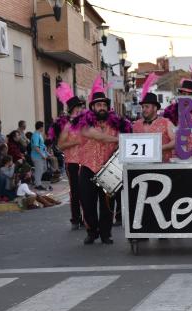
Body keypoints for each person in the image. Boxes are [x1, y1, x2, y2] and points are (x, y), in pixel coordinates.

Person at [76, 77, 125, 245]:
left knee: (107, 205)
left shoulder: (117, 124)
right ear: (92, 107)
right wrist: (117, 139)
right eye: (98, 105)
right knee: (87, 203)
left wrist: (123, 140)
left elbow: (125, 140)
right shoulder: (83, 123)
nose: (102, 107)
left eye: (104, 105)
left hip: (108, 169)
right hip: (88, 167)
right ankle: (92, 231)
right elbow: (95, 136)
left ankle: (106, 233)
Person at [55, 81, 86, 230]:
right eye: (79, 107)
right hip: (72, 161)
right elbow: (60, 145)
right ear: (74, 108)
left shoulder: (85, 123)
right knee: (75, 191)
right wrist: (75, 142)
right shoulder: (65, 125)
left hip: (86, 160)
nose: (82, 109)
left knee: (87, 191)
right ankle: (75, 218)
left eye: (82, 107)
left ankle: (88, 218)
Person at [133, 74, 176, 162]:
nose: (144, 109)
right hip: (141, 167)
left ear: (155, 108)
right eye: (143, 107)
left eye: (147, 107)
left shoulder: (166, 123)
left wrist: (160, 148)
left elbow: (175, 141)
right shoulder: (136, 124)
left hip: (163, 166)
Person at [30, 121, 48, 190]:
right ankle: (38, 184)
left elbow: (42, 145)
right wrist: (42, 155)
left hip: (41, 156)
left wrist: (46, 153)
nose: (43, 128)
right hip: (37, 156)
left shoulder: (39, 134)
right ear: (40, 127)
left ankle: (35, 178)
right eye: (43, 126)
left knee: (44, 169)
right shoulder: (35, 135)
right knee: (39, 170)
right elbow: (36, 147)